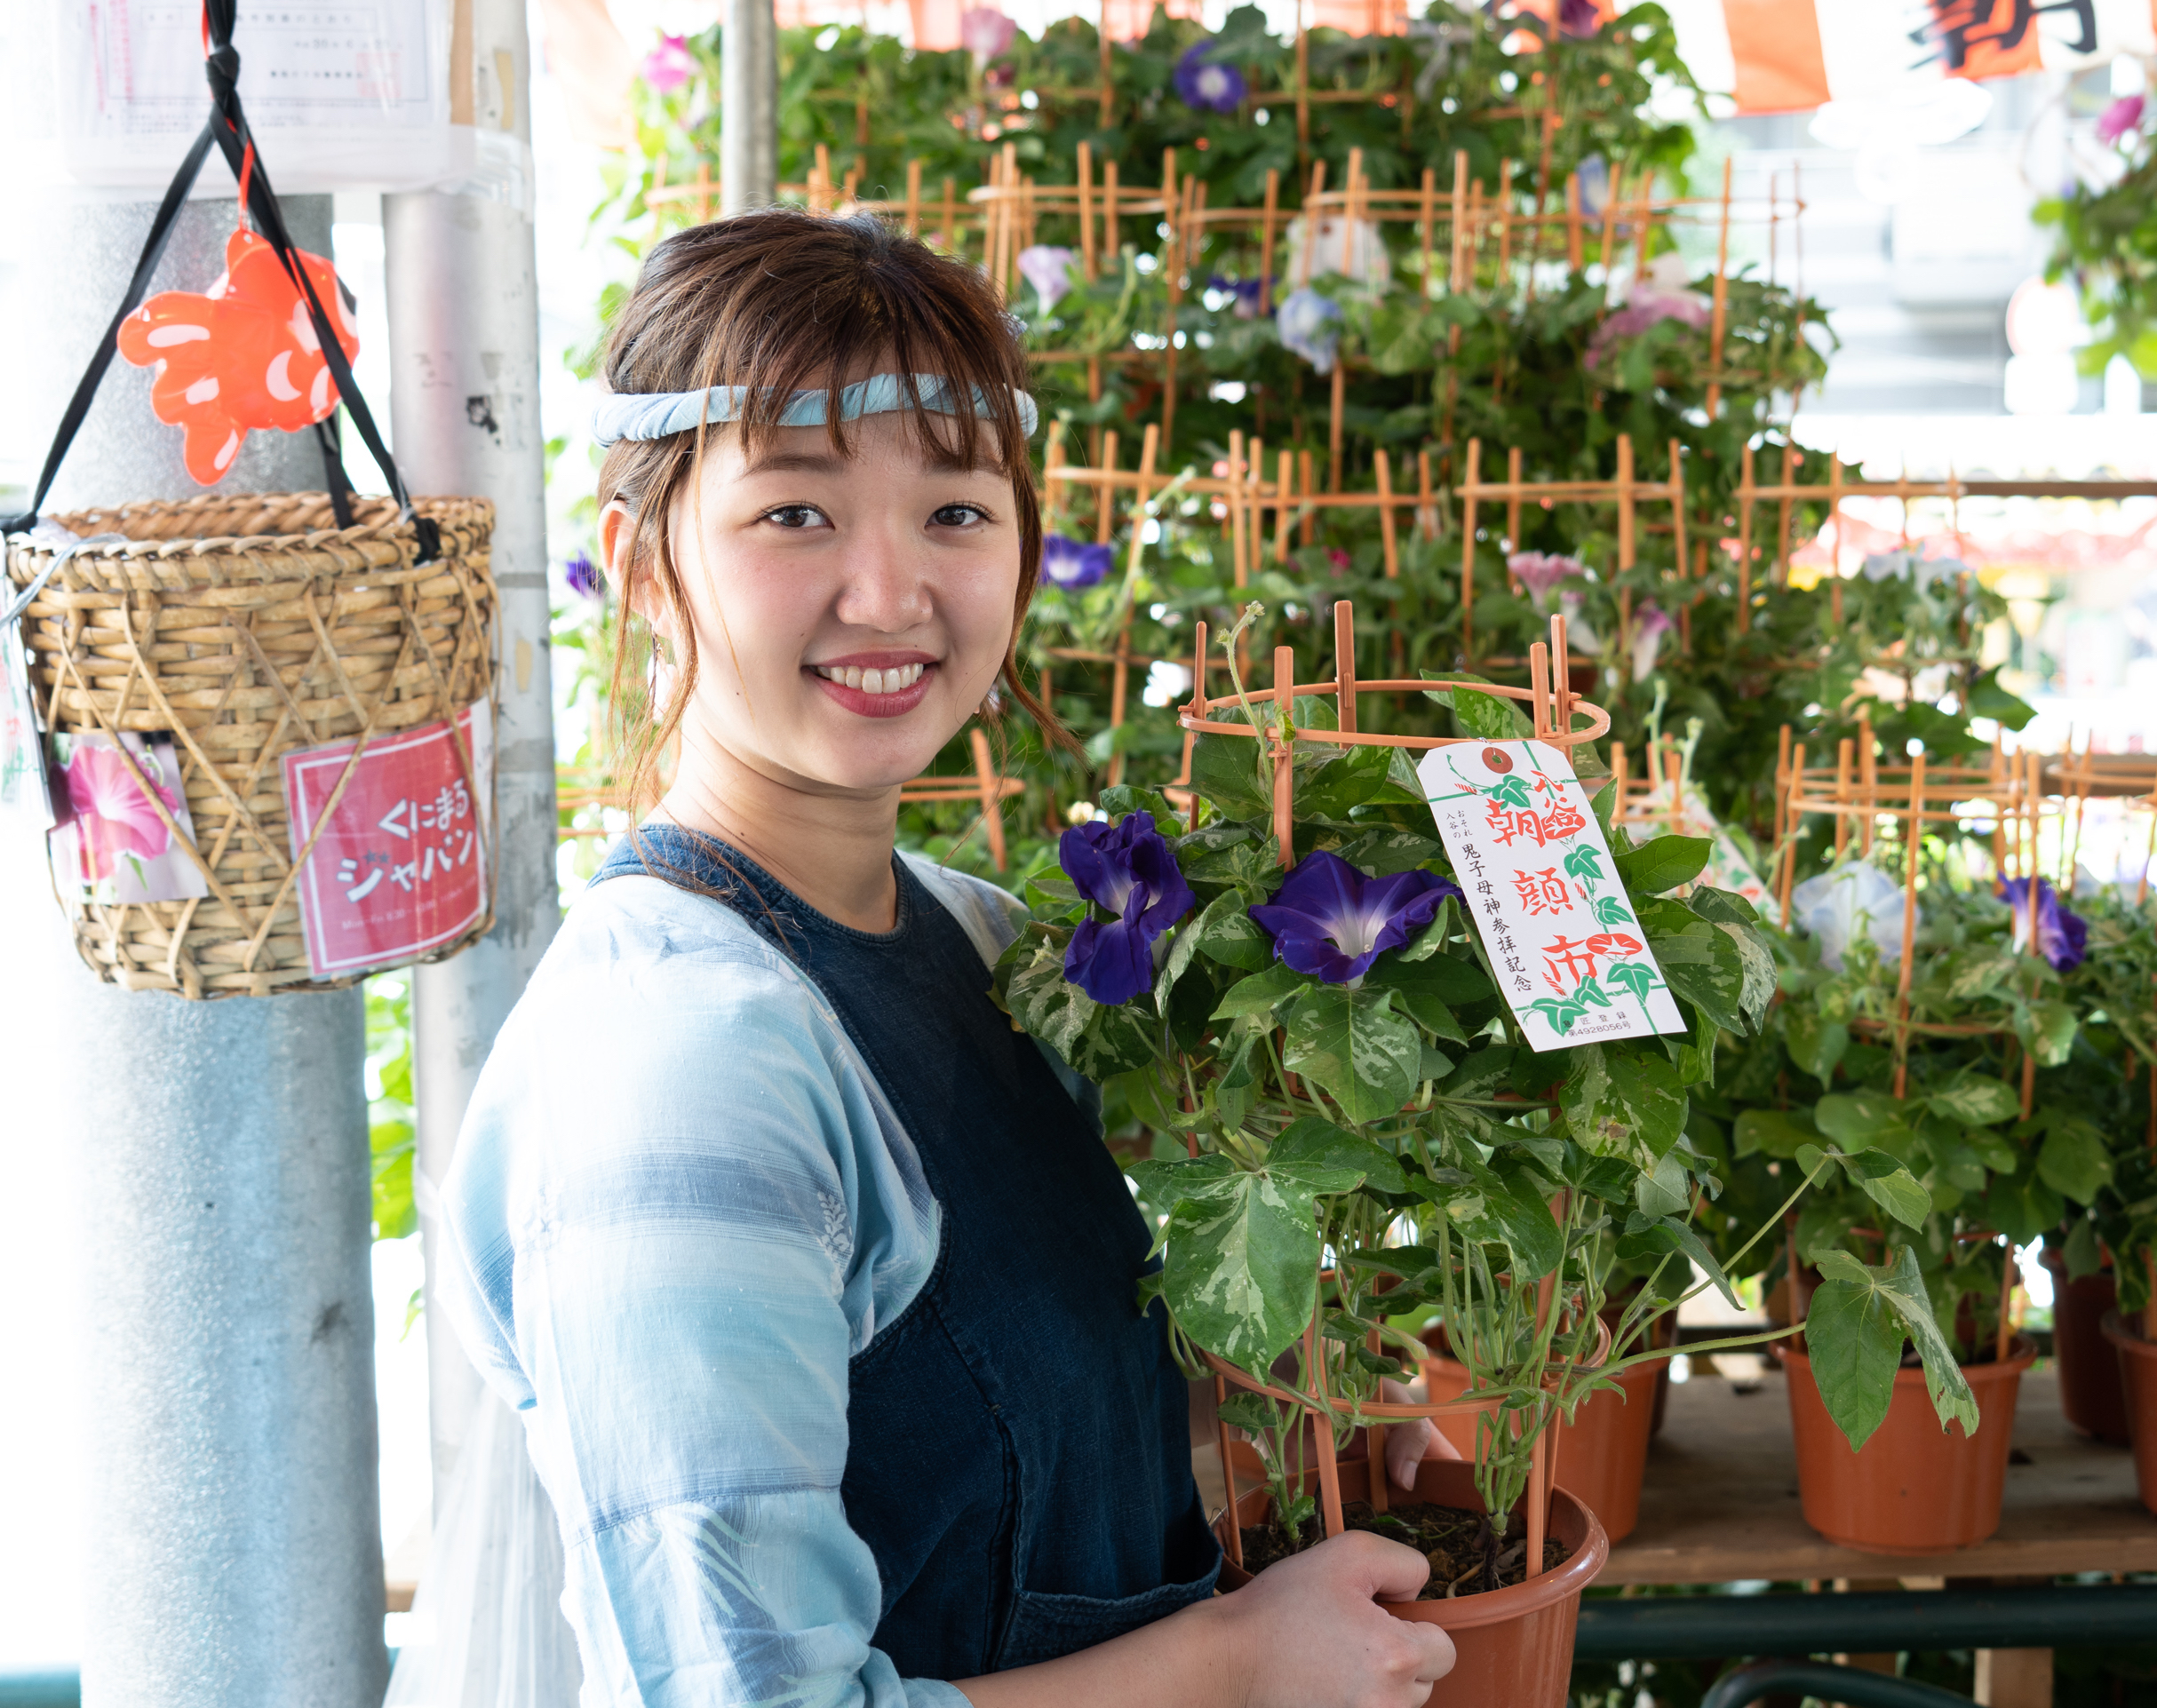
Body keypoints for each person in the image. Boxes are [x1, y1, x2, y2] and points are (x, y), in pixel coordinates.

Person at [429, 211, 1459, 1708]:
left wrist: (1262, 1429)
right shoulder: (677, 1071)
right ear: (642, 566)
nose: (891, 592)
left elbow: (969, 1472)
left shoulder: (976, 936)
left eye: (957, 512)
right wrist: (1238, 1663)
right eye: (795, 513)